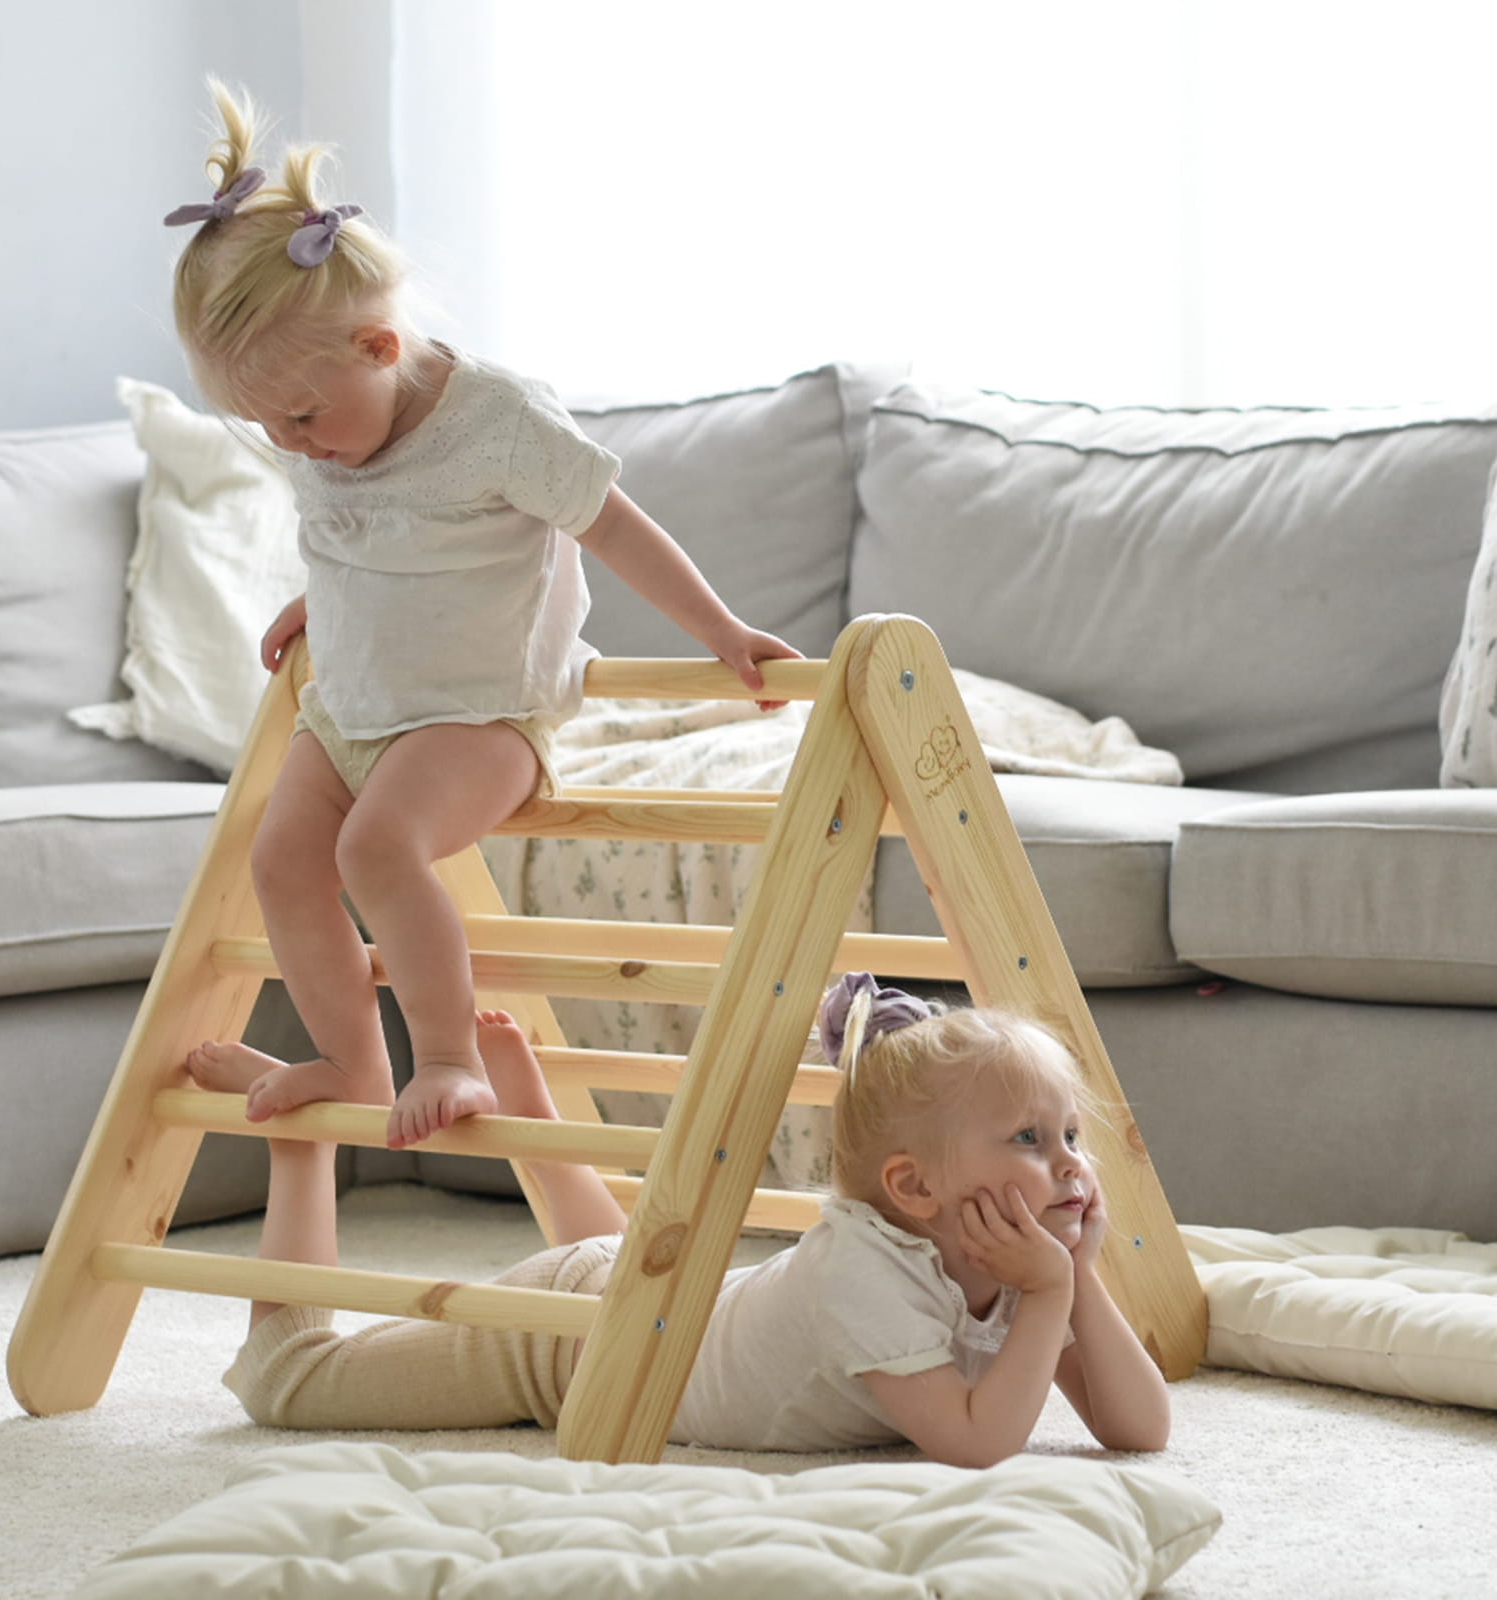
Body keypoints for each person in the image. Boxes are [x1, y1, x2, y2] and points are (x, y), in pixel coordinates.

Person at [166, 80, 800, 1151]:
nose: (291, 444)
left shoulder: (497, 423)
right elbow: (371, 535)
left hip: (478, 716)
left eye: (302, 416)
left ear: (377, 346)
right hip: (353, 710)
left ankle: (448, 1055)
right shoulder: (331, 427)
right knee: (281, 861)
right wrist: (315, 596)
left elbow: (613, 525)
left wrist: (722, 629)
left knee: (377, 850)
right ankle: (350, 1061)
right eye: (262, 424)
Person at [203, 975, 1171, 1465]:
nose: (1072, 1164)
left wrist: (1074, 1279)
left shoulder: (1017, 1261)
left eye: (1071, 1134)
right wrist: (1052, 1290)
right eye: (1031, 1138)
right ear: (914, 1189)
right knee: (293, 1385)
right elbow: (973, 1443)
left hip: (660, 1299)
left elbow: (1138, 1430)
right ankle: (300, 1145)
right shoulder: (863, 1273)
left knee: (627, 1266)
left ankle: (543, 1134)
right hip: (572, 1346)